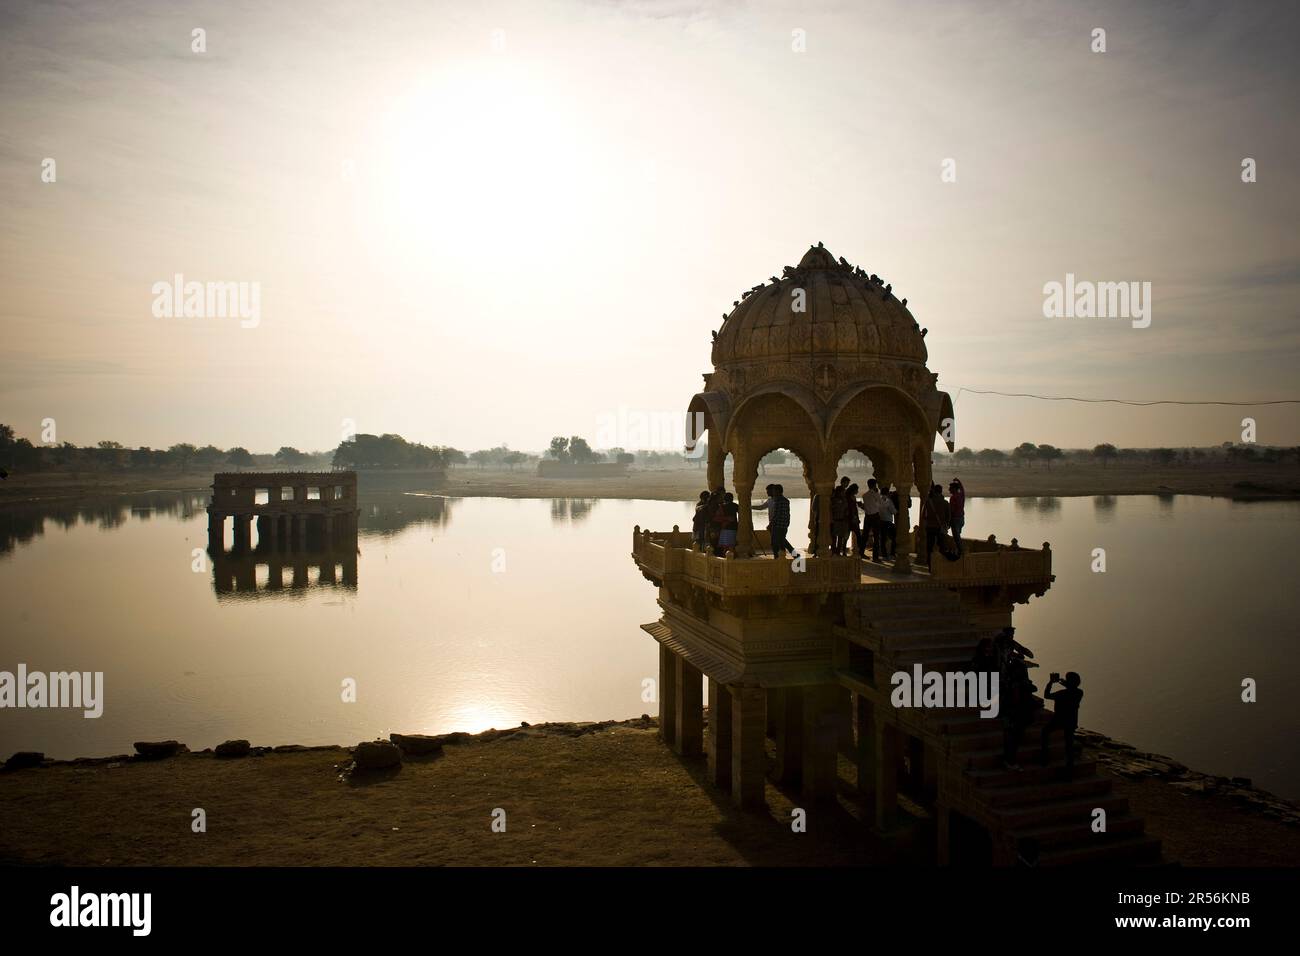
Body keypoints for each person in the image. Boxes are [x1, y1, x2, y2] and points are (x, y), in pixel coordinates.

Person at [1039, 672, 1083, 772]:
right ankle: (1069, 768)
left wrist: (1051, 682)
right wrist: (1065, 683)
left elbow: (1046, 695)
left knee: (1045, 732)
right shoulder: (1079, 692)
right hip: (1071, 721)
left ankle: (1045, 758)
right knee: (1069, 745)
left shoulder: (1061, 694)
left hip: (1058, 719)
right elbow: (1072, 689)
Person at [1001, 656, 1039, 771]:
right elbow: (1017, 697)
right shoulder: (1017, 683)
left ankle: (1009, 760)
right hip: (1017, 713)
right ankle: (1010, 761)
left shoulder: (1012, 681)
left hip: (1014, 713)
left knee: (1013, 737)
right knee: (1014, 738)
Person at [753, 483, 794, 557]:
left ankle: (778, 557)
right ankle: (788, 556)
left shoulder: (777, 501)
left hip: (776, 524)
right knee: (782, 541)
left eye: (769, 491)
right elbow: (761, 507)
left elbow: (777, 515)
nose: (767, 493)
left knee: (776, 542)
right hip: (781, 524)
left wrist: (770, 524)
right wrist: (750, 507)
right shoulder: (774, 500)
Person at [921, 483, 951, 568]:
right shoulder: (945, 503)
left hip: (930, 527)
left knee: (929, 547)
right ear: (941, 492)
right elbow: (948, 517)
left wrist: (928, 521)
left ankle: (930, 565)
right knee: (942, 546)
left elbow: (923, 515)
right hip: (940, 528)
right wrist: (946, 525)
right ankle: (941, 566)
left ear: (934, 491)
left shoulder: (928, 502)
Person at [860, 478, 885, 561]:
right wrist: (877, 493)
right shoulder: (875, 494)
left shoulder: (864, 495)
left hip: (867, 517)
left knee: (865, 536)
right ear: (874, 485)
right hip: (875, 517)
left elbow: (866, 506)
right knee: (876, 536)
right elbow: (881, 503)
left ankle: (861, 553)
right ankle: (875, 557)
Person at [948, 479, 966, 557]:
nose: (949, 490)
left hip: (955, 519)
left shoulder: (953, 498)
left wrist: (948, 520)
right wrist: (959, 481)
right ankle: (959, 550)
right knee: (958, 535)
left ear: (954, 489)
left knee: (956, 537)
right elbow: (962, 489)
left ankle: (961, 553)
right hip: (961, 519)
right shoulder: (961, 495)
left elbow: (952, 510)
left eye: (950, 488)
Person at [878, 490, 896, 560]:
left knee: (883, 539)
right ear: (887, 493)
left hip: (880, 521)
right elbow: (893, 511)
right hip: (888, 522)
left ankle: (884, 555)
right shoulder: (888, 501)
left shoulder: (878, 500)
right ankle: (892, 554)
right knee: (894, 537)